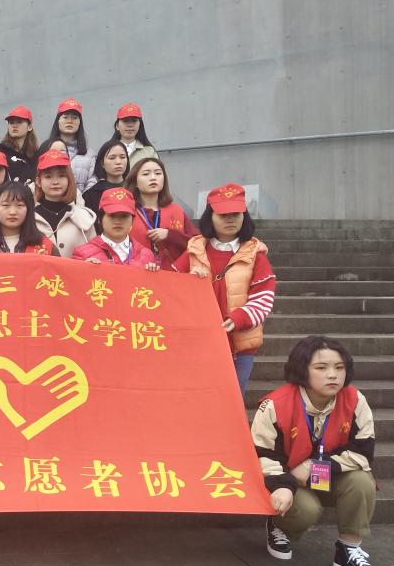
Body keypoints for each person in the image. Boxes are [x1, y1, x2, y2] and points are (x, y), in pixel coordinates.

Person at [253, 336, 386, 566]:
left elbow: (363, 451)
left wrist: (316, 466)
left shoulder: (355, 400)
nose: (333, 375)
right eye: (321, 367)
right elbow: (263, 454)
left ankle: (348, 550)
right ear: (302, 370)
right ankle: (279, 525)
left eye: (339, 367)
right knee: (307, 510)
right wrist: (283, 485)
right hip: (288, 479)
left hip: (328, 475)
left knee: (361, 481)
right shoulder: (274, 405)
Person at [172, 183, 276, 397]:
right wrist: (188, 281)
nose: (230, 219)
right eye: (223, 214)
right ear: (210, 217)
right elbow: (170, 287)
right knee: (199, 400)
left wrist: (239, 318)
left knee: (233, 401)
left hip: (241, 345)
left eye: (235, 214)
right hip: (199, 341)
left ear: (244, 216)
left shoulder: (255, 254)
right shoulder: (194, 250)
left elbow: (264, 298)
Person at [124, 157, 196, 271]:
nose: (153, 177)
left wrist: (170, 234)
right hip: (136, 274)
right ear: (135, 182)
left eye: (158, 173)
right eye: (146, 174)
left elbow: (197, 244)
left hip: (173, 275)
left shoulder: (176, 210)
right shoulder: (126, 211)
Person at [72, 188, 159, 269]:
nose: (118, 221)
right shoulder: (83, 254)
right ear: (100, 219)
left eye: (124, 216)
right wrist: (85, 271)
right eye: (112, 215)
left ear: (132, 220)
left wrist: (152, 274)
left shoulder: (146, 255)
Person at [0, 182, 57, 255]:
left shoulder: (45, 246)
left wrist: (45, 265)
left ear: (29, 209)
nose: (12, 212)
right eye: (6, 205)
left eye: (19, 205)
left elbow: (59, 272)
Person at [33, 149, 95, 258]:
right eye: (48, 176)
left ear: (69, 179)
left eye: (61, 176)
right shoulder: (29, 217)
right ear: (38, 182)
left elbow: (95, 253)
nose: (55, 182)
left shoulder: (84, 218)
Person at [37, 98, 94, 193]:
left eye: (74, 118)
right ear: (58, 121)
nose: (70, 121)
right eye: (65, 117)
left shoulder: (90, 154)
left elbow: (92, 182)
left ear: (80, 122)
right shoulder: (47, 147)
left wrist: (80, 199)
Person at [83, 139, 129, 213]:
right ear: (102, 163)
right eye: (112, 158)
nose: (118, 162)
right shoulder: (92, 194)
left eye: (123, 157)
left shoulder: (135, 190)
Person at [112, 102, 158, 169]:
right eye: (125, 121)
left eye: (134, 121)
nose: (130, 125)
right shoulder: (108, 151)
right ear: (117, 126)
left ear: (140, 125)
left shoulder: (149, 152)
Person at [0, 106, 38, 183]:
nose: (14, 125)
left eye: (19, 122)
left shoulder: (37, 155)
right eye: (11, 122)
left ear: (29, 127)